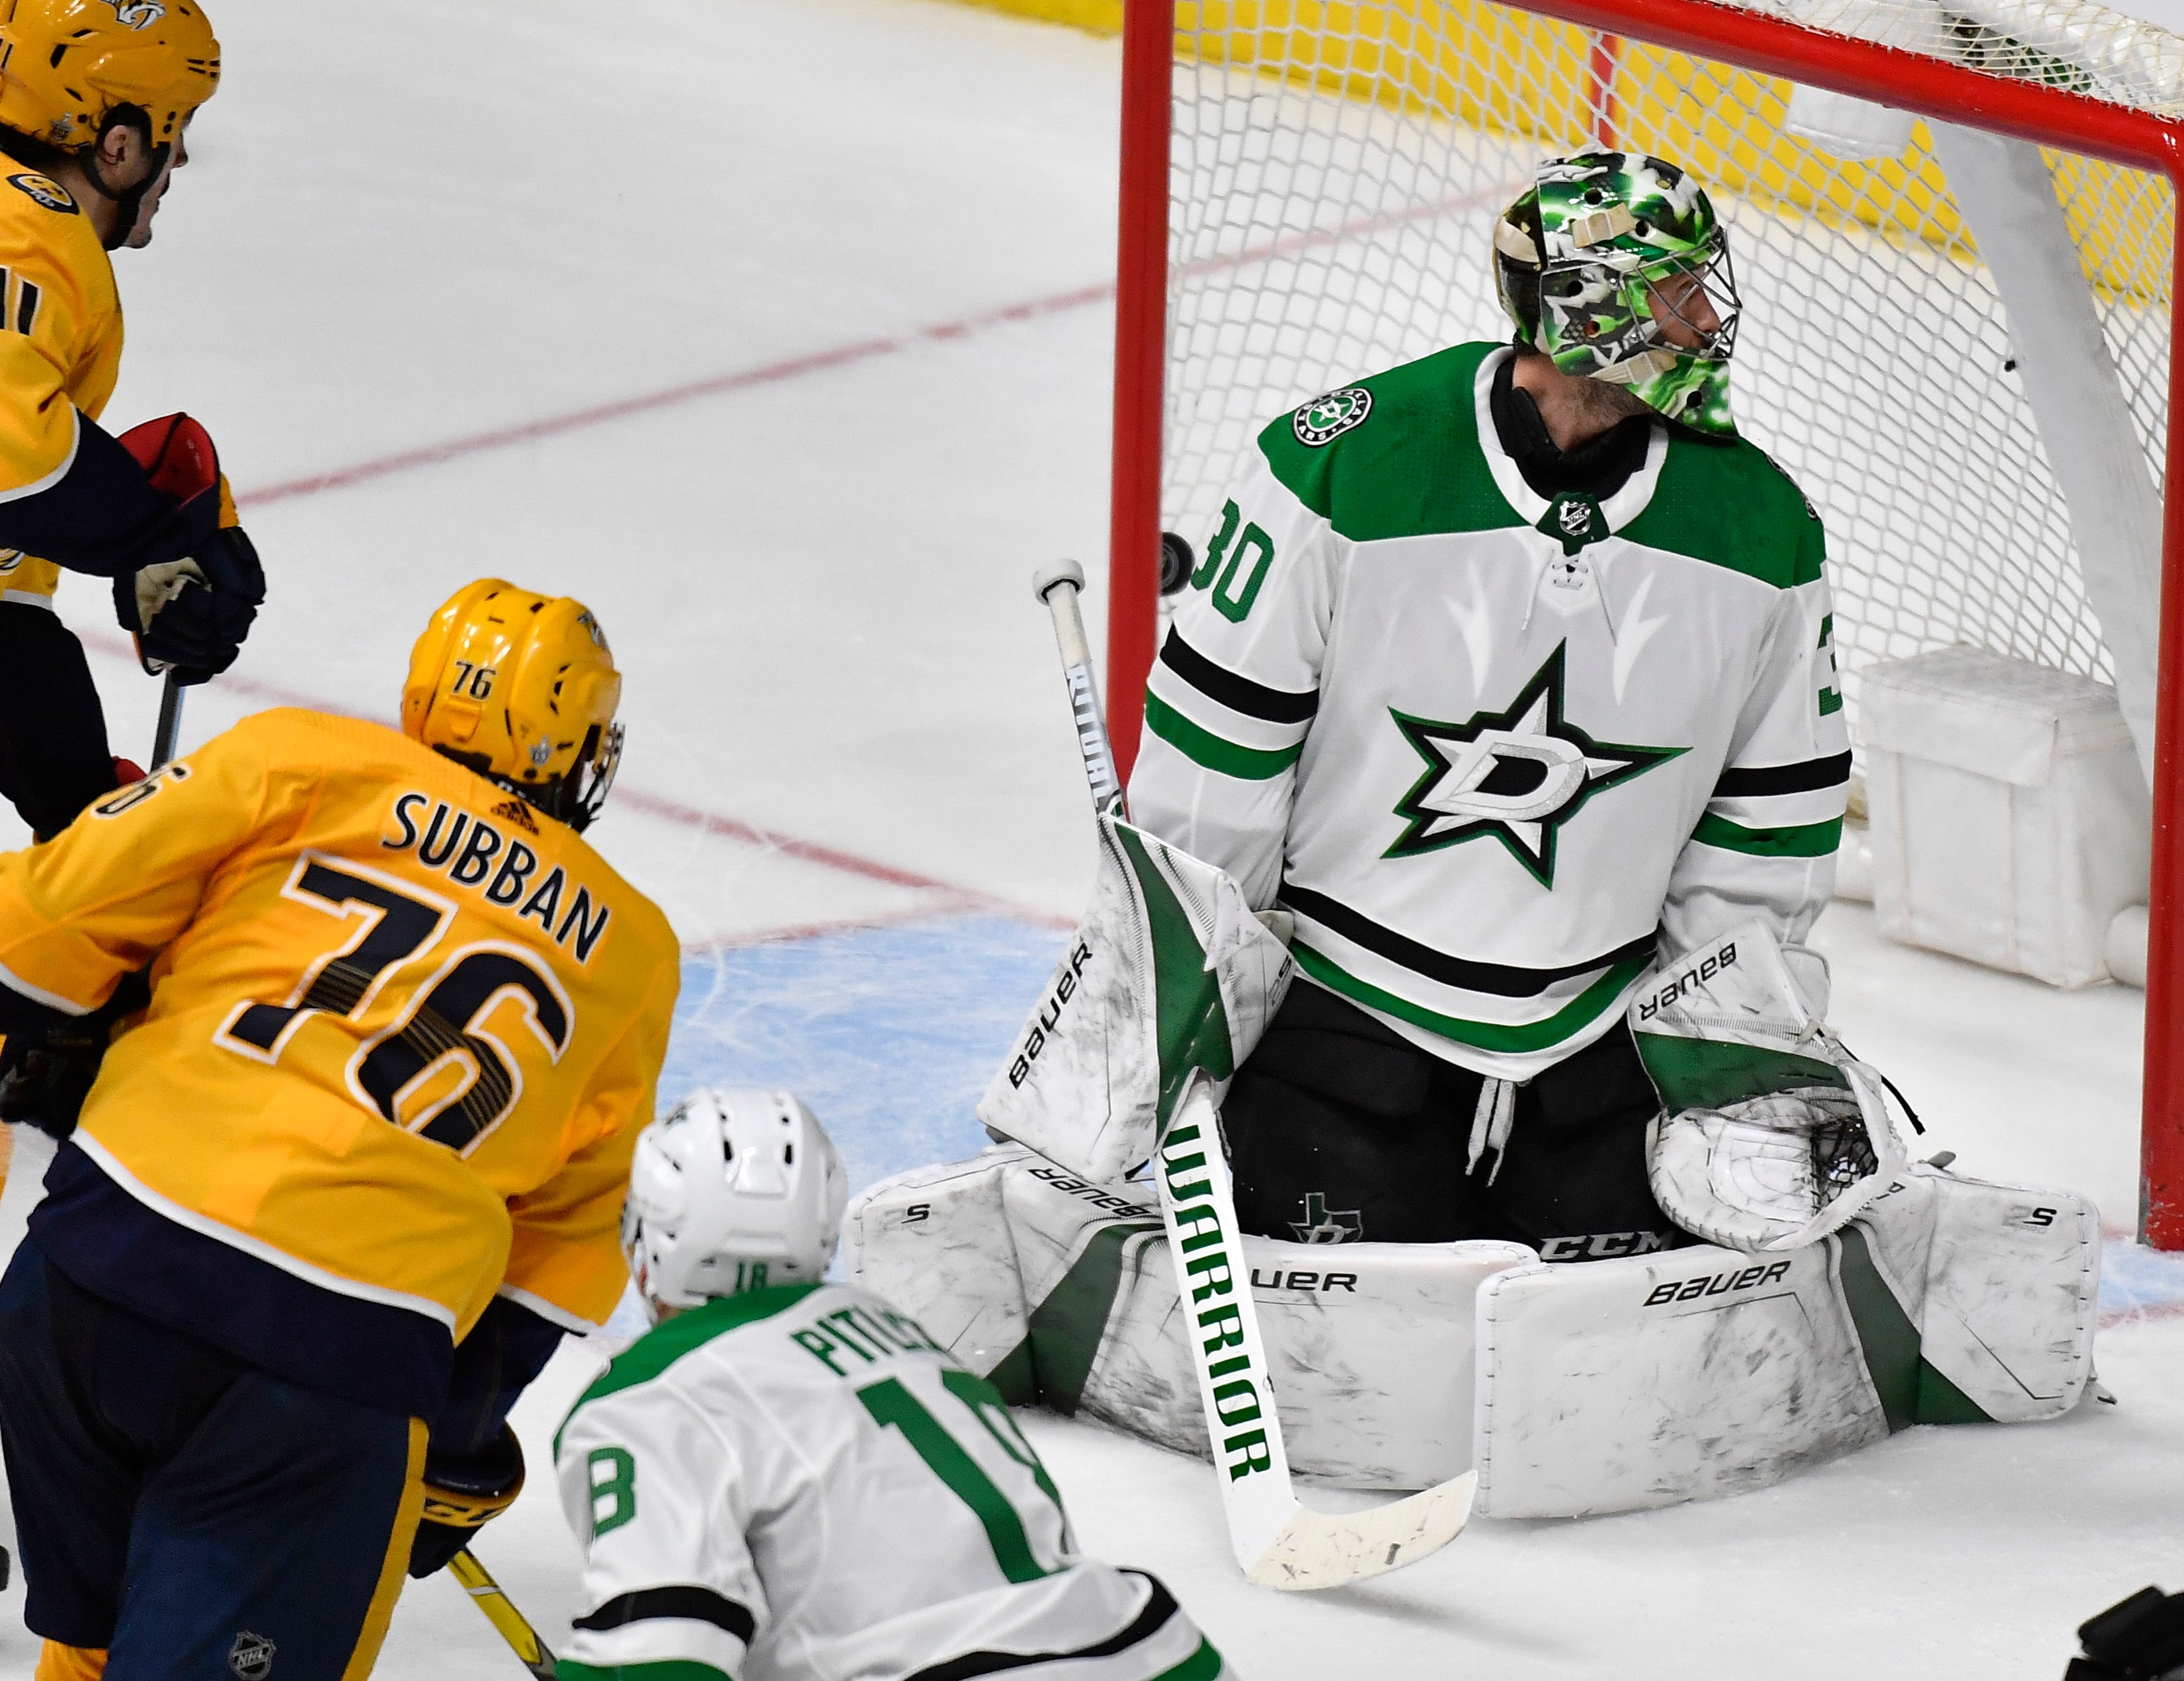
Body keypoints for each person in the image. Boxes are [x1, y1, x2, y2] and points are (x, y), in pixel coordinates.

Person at [1126, 149, 1847, 1261]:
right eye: (1675, 288)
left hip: (1601, 1053)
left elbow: (1768, 826)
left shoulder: (1762, 530)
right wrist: (1180, 1020)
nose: (1707, 316)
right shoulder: (1342, 469)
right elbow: (1212, 768)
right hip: (1340, 1026)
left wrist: (1726, 1059)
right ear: (1585, 306)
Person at [0, 578, 678, 1681]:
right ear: (577, 743)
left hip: (80, 1294)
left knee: (107, 1633)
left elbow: (32, 928)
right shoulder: (632, 952)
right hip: (320, 1370)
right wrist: (452, 1441)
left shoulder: (297, 758)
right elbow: (563, 1246)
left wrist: (69, 1038)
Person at [557, 1087, 1234, 1681]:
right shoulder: (889, 1328)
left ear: (647, 1243)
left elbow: (657, 1656)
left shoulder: (646, 1398)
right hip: (1154, 1652)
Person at [0, 0, 265, 839]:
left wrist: (74, 789)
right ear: (119, 145)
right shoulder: (29, 228)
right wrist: (157, 537)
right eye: (172, 128)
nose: (180, 153)